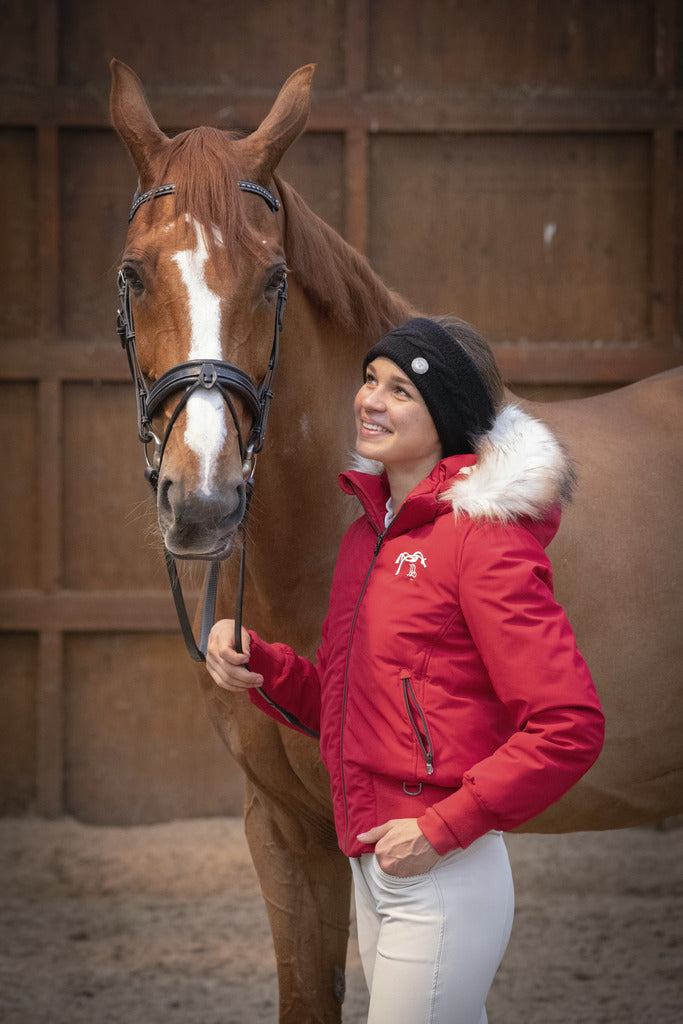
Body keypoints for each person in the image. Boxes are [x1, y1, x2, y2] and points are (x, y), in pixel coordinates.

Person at [206, 316, 605, 1024]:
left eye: (400, 390)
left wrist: (443, 827)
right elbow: (344, 701)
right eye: (368, 379)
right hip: (377, 864)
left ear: (445, 417)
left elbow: (567, 725)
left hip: (441, 872)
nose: (369, 399)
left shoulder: (482, 542)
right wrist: (259, 665)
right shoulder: (368, 536)